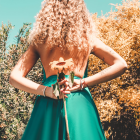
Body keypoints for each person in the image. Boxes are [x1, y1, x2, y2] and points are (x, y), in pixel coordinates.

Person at [9, 0, 127, 140]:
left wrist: (47, 91)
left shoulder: (39, 42)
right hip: (78, 98)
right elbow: (121, 64)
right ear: (80, 11)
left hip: (49, 98)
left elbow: (14, 77)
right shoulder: (87, 40)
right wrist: (83, 82)